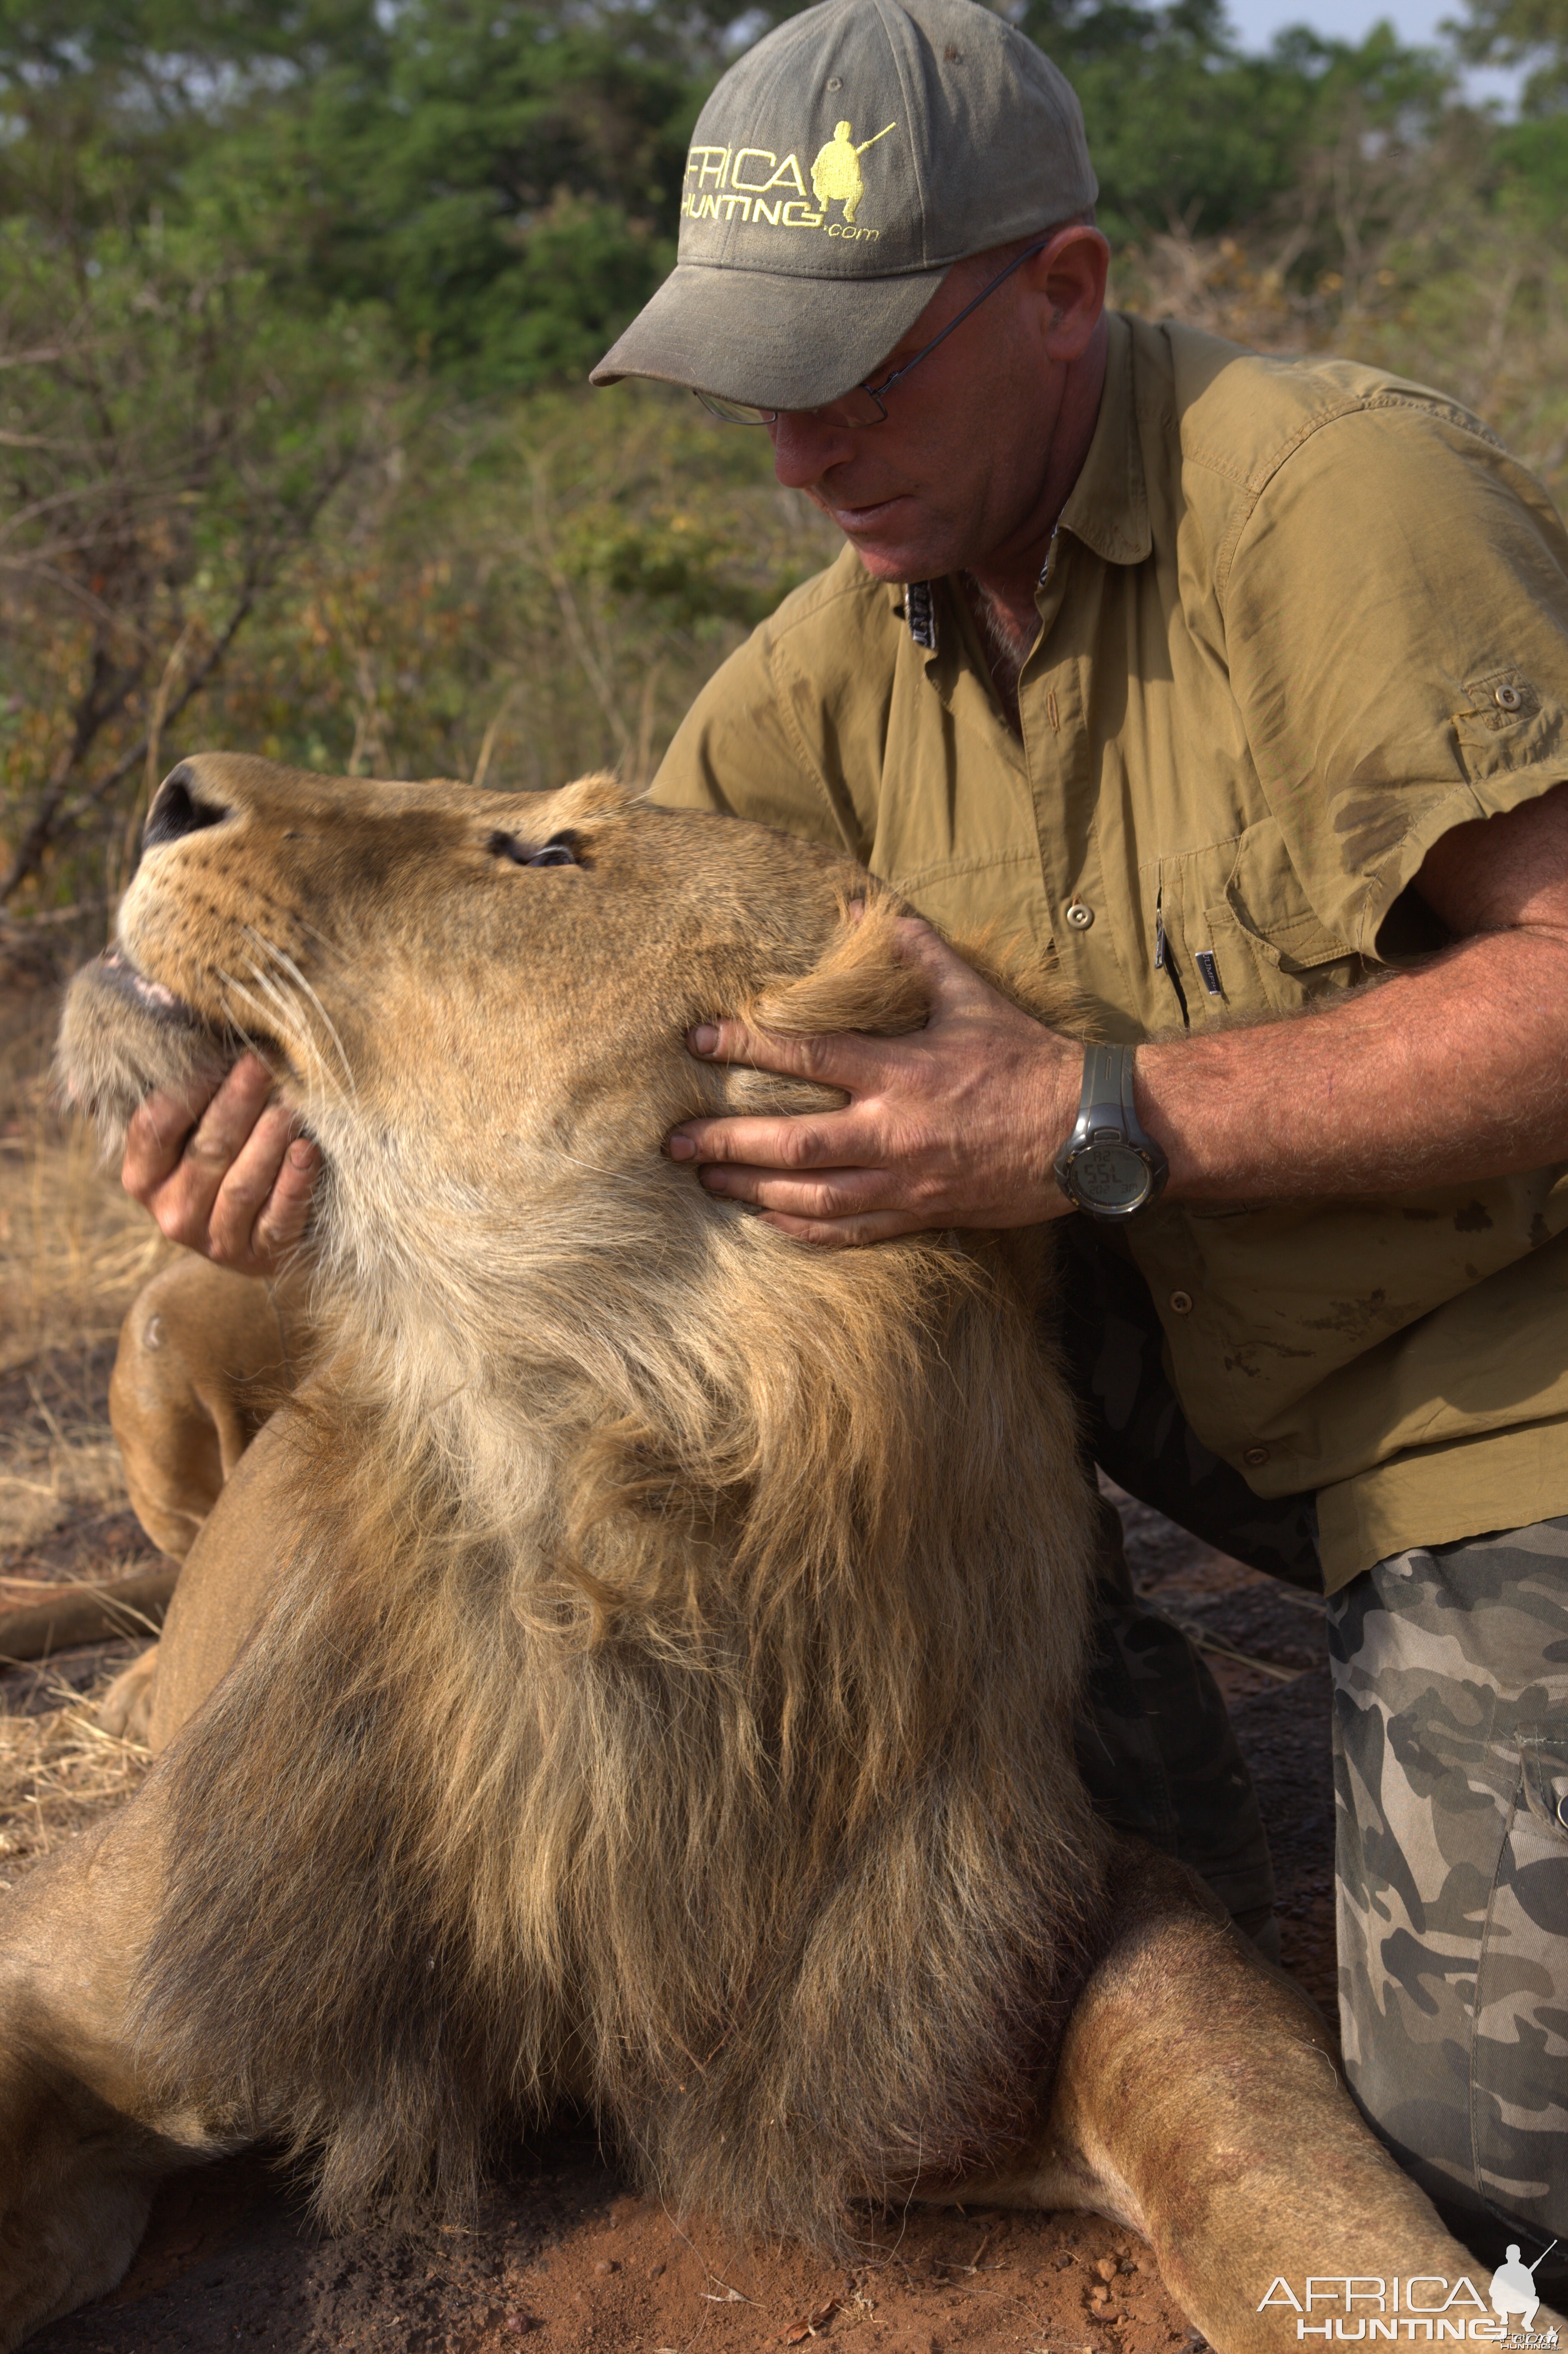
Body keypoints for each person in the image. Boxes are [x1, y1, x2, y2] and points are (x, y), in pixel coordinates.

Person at [116, 0, 1568, 2276]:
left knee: (1507, 2166)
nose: (801, 450)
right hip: (1161, 1346)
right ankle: (1087, 1687)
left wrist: (1090, 1114)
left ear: (1069, 290)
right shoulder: (819, 669)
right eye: (761, 375)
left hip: (1496, 1378)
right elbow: (594, 987)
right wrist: (300, 1124)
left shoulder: (1333, 505)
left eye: (865, 368)